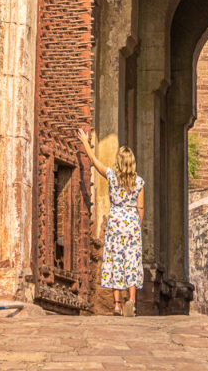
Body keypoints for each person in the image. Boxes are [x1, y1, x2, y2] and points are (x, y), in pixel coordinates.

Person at [77, 128, 144, 317]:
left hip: (115, 222)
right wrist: (136, 225)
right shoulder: (139, 182)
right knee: (131, 262)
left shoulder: (112, 176)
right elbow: (141, 208)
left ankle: (116, 304)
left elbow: (96, 163)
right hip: (131, 223)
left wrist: (86, 143)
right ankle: (131, 301)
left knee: (115, 261)